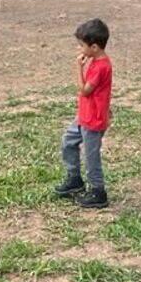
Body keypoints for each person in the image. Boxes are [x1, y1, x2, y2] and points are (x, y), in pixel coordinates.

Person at [55, 17, 112, 209]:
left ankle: (98, 191)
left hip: (93, 121)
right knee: (68, 142)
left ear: (94, 47)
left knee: (91, 156)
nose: (80, 49)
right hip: (84, 116)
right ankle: (74, 179)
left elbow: (84, 90)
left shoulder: (101, 66)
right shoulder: (97, 62)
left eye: (82, 46)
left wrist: (78, 68)